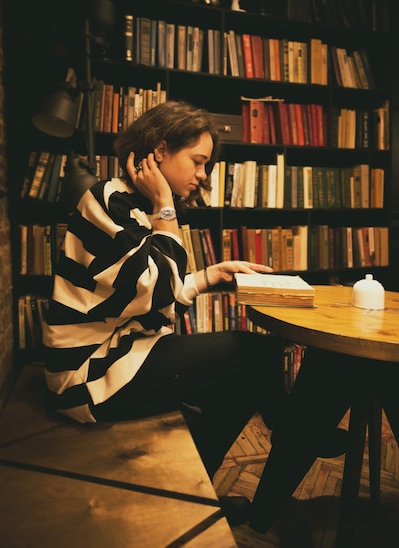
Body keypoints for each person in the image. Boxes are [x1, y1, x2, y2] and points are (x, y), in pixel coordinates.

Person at [42, 99, 288, 526]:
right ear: (159, 151)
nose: (203, 175)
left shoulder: (137, 207)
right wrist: (165, 207)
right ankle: (293, 432)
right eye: (198, 161)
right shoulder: (109, 201)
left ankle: (192, 494)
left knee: (240, 381)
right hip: (87, 372)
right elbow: (156, 289)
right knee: (252, 353)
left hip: (124, 352)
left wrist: (213, 273)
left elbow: (158, 291)